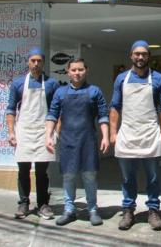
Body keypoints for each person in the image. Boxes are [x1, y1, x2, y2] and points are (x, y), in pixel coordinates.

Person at [109, 40, 161, 231]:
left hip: (150, 133)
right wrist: (113, 132)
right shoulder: (121, 79)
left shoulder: (159, 79)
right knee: (128, 177)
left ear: (148, 57)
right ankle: (128, 210)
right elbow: (115, 107)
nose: (140, 57)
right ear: (131, 56)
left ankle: (153, 210)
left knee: (153, 177)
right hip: (127, 133)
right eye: (137, 54)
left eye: (144, 54)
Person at [45, 58, 109, 226]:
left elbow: (103, 115)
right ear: (68, 72)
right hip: (67, 141)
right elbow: (52, 114)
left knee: (89, 176)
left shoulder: (95, 91)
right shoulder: (60, 92)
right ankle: (69, 210)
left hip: (88, 140)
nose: (77, 73)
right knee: (69, 176)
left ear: (86, 70)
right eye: (73, 70)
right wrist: (48, 136)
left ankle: (92, 209)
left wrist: (106, 136)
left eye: (80, 69)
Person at [6, 47, 60, 220]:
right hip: (24, 131)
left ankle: (43, 204)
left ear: (43, 62)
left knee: (42, 171)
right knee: (23, 169)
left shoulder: (52, 83)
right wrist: (11, 133)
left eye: (39, 60)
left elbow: (57, 110)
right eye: (33, 60)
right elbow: (11, 109)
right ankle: (23, 203)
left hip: (44, 131)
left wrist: (56, 132)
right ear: (28, 62)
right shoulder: (18, 83)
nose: (36, 63)